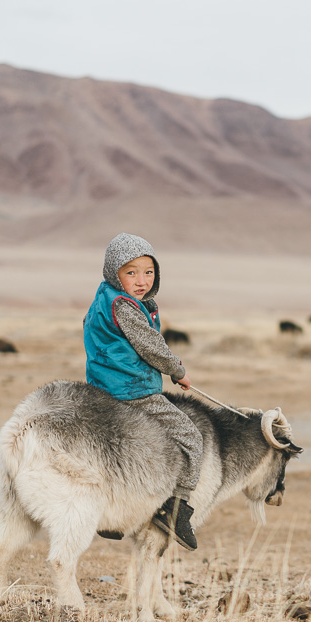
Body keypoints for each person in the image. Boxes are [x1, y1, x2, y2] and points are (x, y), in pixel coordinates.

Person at [84, 232, 202, 550]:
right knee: (191, 437)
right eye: (131, 272)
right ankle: (176, 509)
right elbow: (151, 346)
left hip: (104, 390)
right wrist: (177, 371)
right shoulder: (125, 307)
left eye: (148, 271)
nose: (141, 280)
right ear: (114, 273)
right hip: (134, 391)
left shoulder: (104, 299)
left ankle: (110, 515)